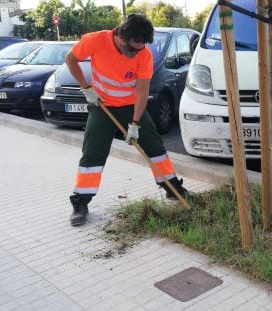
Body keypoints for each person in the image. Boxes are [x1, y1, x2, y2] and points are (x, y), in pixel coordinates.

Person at [65, 14, 190, 226]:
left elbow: (142, 90)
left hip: (131, 105)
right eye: (133, 48)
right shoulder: (95, 40)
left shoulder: (145, 55)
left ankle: (172, 189)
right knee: (93, 153)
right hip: (102, 106)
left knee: (155, 148)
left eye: (140, 48)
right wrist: (86, 87)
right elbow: (71, 59)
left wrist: (135, 123)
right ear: (121, 38)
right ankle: (80, 202)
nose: (137, 53)